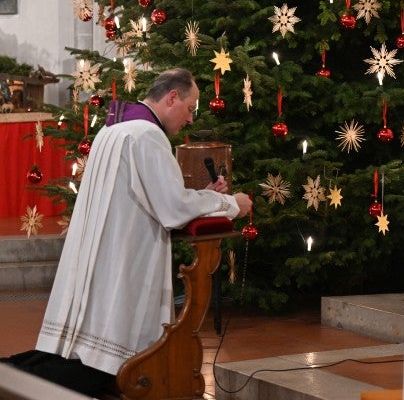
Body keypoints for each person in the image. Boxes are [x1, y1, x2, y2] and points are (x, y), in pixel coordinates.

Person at [12, 68, 252, 396]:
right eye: (190, 108)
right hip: (125, 263)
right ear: (172, 97)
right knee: (104, 365)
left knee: (74, 358)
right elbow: (172, 209)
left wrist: (206, 195)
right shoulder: (147, 136)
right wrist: (230, 203)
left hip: (103, 259)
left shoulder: (114, 131)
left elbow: (153, 195)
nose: (191, 119)